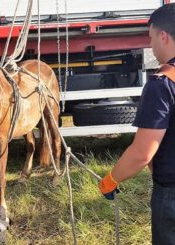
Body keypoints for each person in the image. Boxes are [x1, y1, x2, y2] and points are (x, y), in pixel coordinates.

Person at [98, 3, 175, 244]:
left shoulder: (162, 84)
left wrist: (111, 179)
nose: (151, 45)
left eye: (151, 38)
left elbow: (142, 153)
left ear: (163, 37)